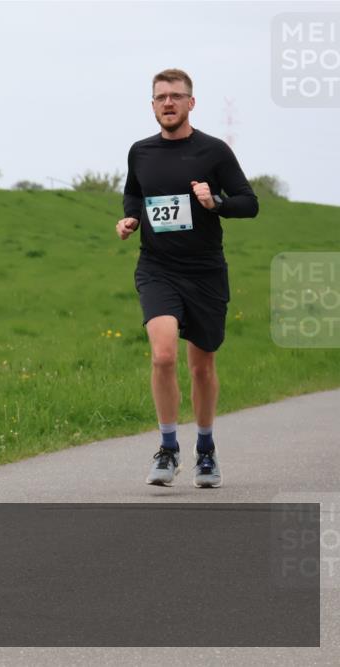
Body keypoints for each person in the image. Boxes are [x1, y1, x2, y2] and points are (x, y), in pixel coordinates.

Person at [117, 68, 258, 489]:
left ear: (191, 103)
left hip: (205, 272)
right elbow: (134, 193)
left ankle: (206, 449)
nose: (168, 103)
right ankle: (167, 447)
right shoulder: (140, 152)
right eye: (160, 97)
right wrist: (130, 218)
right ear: (153, 104)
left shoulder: (213, 152)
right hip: (157, 268)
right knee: (162, 356)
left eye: (176, 96)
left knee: (201, 366)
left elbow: (249, 203)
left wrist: (214, 201)